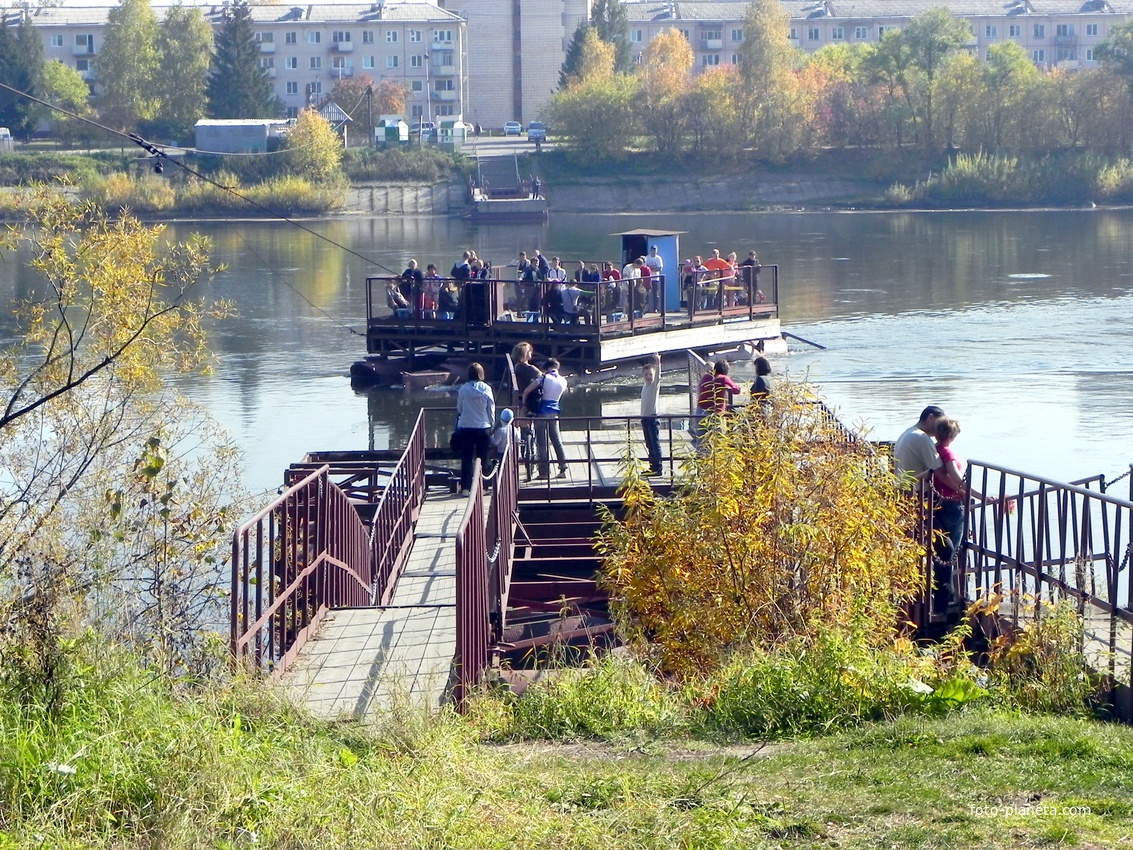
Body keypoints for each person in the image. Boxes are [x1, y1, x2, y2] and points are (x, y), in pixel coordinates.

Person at [932, 416, 967, 611]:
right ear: (951, 435)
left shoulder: (933, 450)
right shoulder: (946, 452)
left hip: (938, 504)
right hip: (952, 505)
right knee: (950, 554)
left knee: (942, 551)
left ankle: (945, 595)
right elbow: (955, 477)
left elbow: (941, 477)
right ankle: (947, 599)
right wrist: (974, 493)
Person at [454, 362, 495, 495]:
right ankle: (482, 487)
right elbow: (491, 409)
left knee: (466, 458)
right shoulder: (487, 389)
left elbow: (460, 409)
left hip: (466, 427)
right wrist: (491, 424)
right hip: (483, 427)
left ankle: (465, 488)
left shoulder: (463, 389)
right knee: (482, 458)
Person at [524, 358, 568, 479]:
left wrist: (525, 403)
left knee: (542, 443)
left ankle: (544, 472)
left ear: (546, 367)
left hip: (541, 413)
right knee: (556, 440)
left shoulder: (543, 378)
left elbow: (527, 391)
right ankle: (563, 468)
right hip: (554, 413)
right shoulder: (564, 381)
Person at [893, 405, 946, 485]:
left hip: (902, 489)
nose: (941, 428)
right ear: (930, 418)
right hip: (916, 493)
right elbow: (940, 471)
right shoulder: (922, 437)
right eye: (940, 423)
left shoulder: (907, 433)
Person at [694, 360, 742, 448]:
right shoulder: (723, 378)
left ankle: (700, 459)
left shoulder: (706, 377)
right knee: (719, 442)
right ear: (726, 371)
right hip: (715, 414)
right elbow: (736, 390)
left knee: (701, 442)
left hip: (700, 412)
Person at [641, 352, 663, 476]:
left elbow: (658, 376)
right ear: (643, 376)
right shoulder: (645, 386)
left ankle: (658, 468)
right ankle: (652, 466)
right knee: (649, 444)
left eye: (650, 374)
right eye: (646, 374)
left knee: (655, 443)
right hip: (644, 418)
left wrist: (657, 362)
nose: (648, 376)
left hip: (652, 418)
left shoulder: (654, 385)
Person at [644, 245, 664, 313]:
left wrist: (650, 268)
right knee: (646, 293)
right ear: (650, 250)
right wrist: (653, 268)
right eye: (652, 249)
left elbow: (659, 268)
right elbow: (645, 268)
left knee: (656, 294)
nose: (654, 251)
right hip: (648, 279)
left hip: (656, 278)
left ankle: (655, 308)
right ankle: (646, 308)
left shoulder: (658, 258)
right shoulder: (647, 258)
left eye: (655, 249)